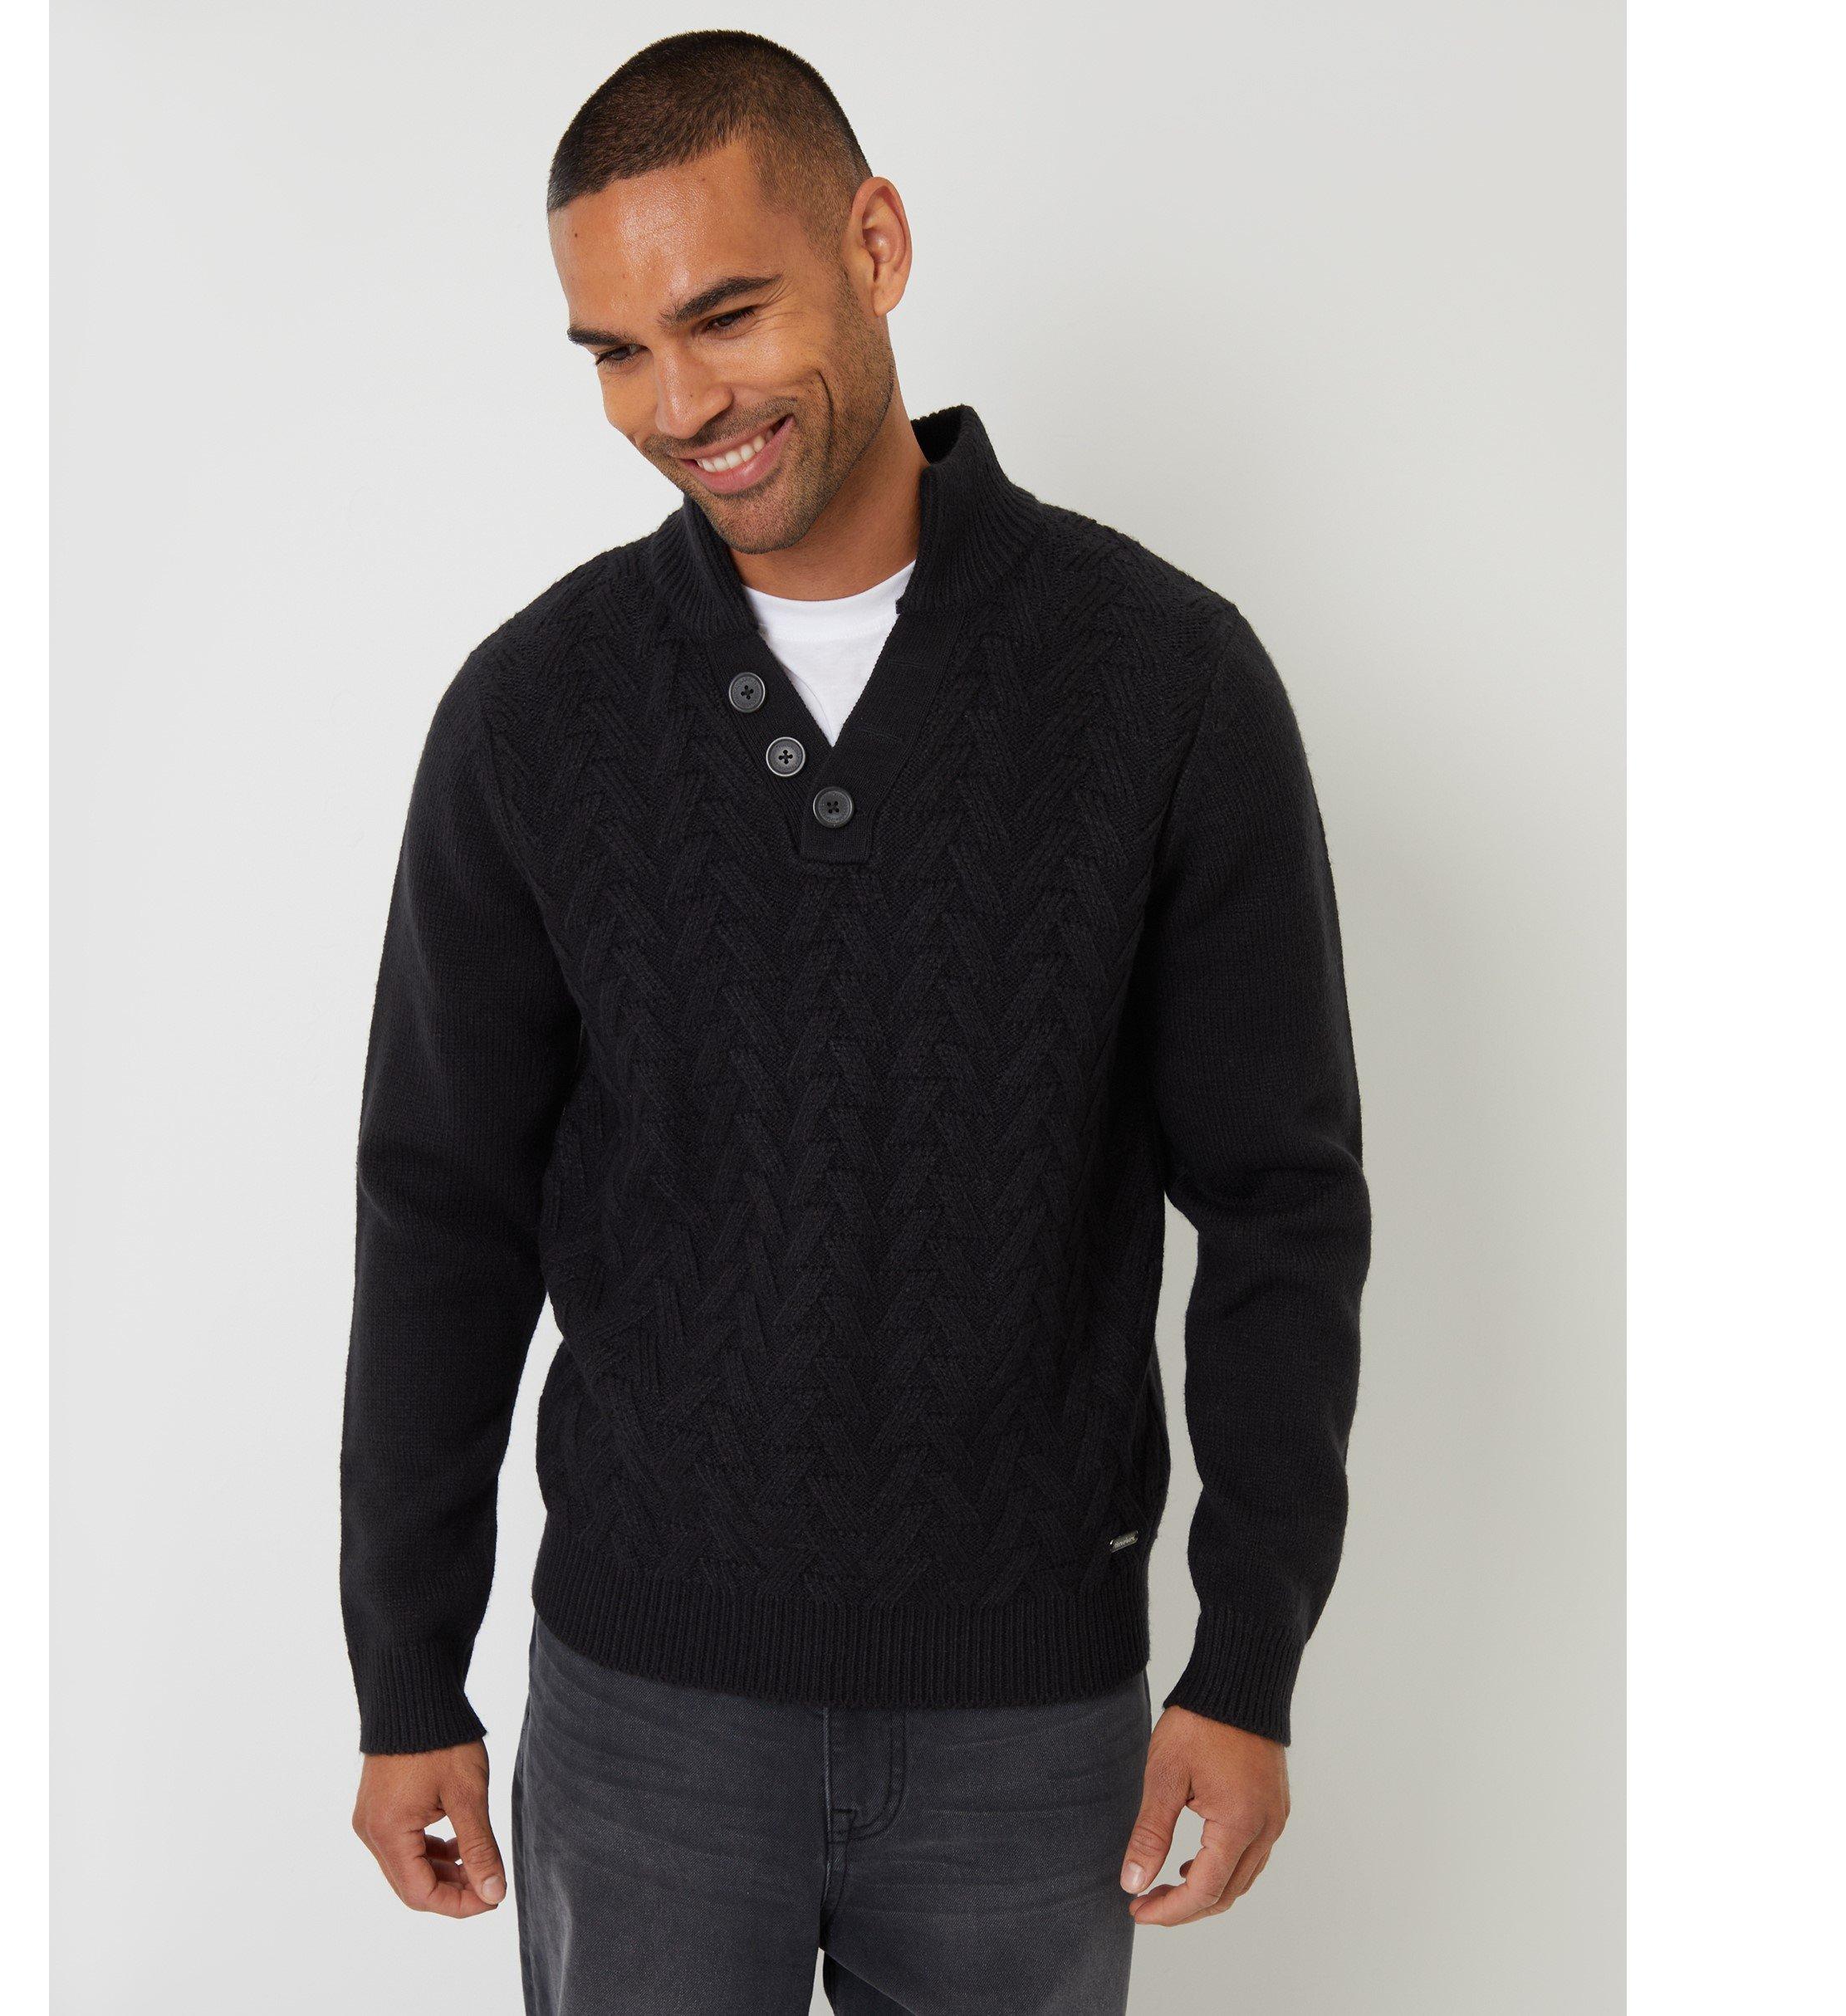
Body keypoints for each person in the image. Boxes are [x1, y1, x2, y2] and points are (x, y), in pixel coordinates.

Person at [340, 29, 1370, 2015]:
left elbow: (1277, 1201)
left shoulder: (1161, 683)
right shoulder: (533, 713)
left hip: (1028, 1726)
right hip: (641, 1716)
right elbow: (440, 1208)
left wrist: (1244, 1661)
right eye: (615, 352)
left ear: (874, 244)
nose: (677, 406)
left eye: (723, 315)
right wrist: (406, 1673)